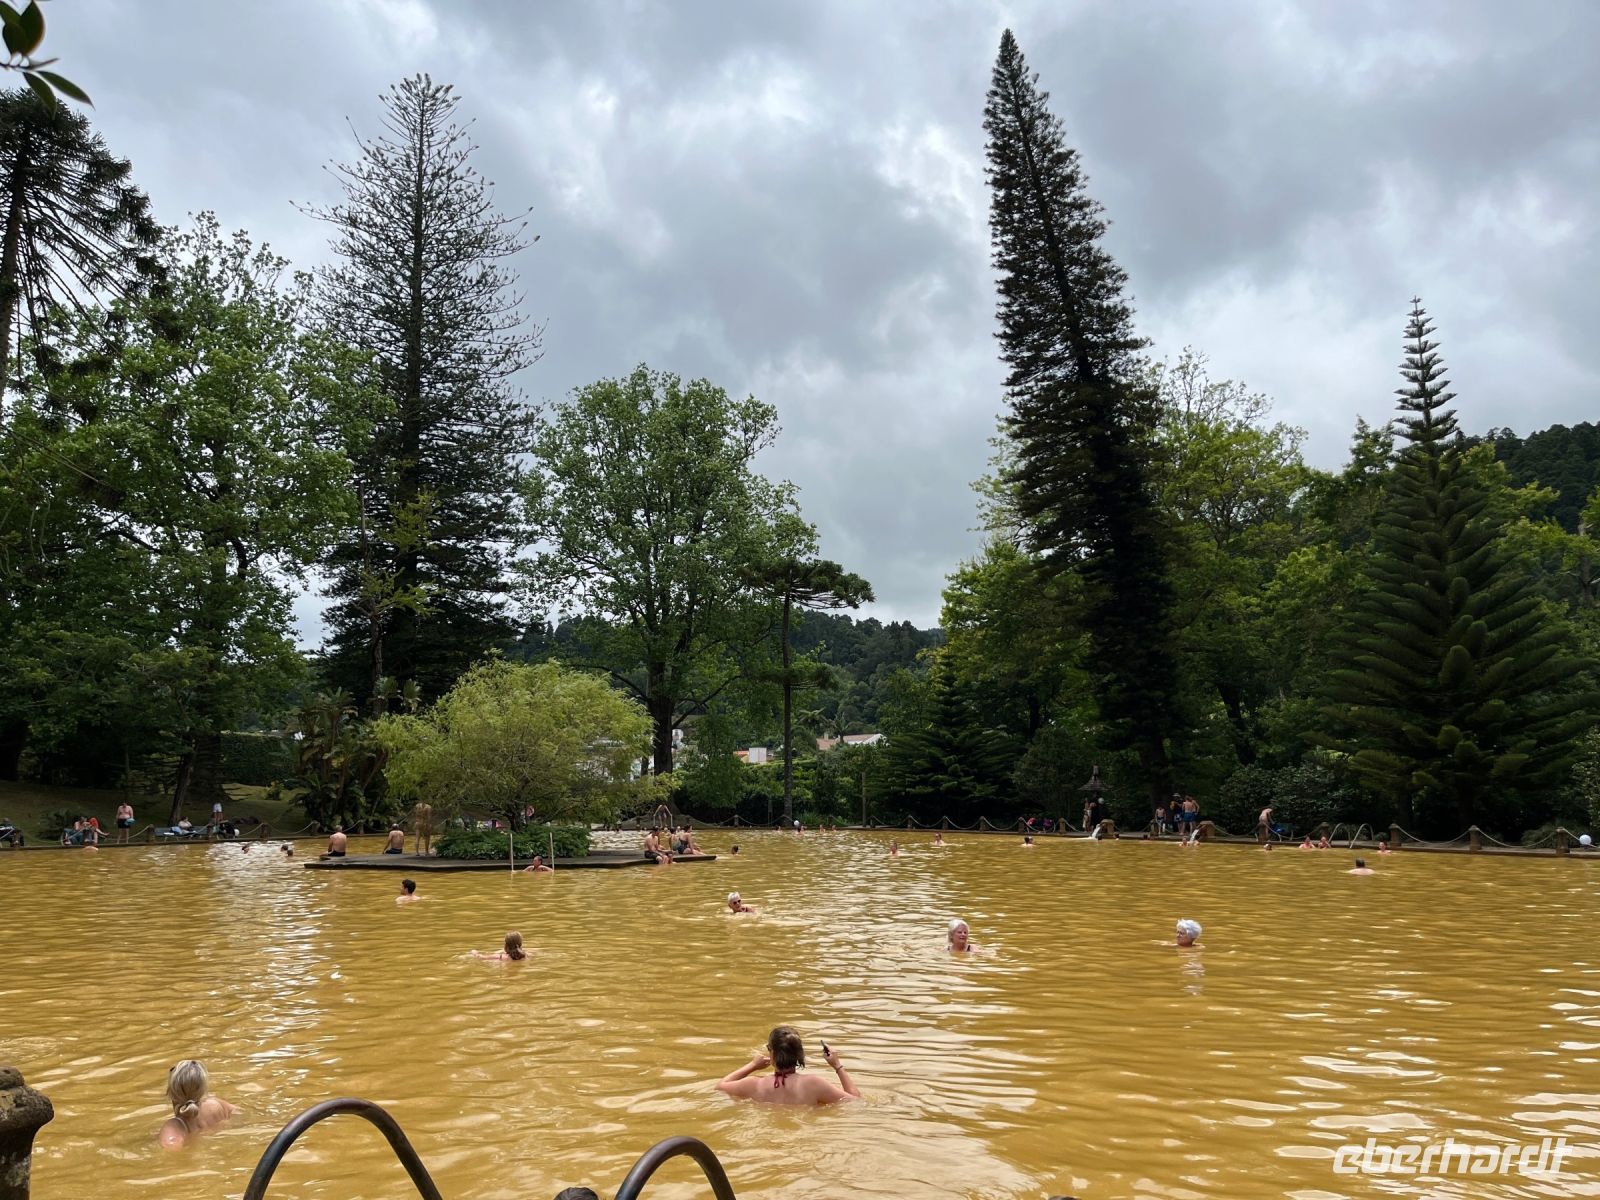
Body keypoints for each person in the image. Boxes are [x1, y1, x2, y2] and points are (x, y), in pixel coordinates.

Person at [716, 1026, 859, 1105]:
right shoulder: (814, 1084)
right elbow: (856, 1102)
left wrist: (752, 1065)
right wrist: (837, 1066)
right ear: (799, 1054)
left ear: (771, 1052)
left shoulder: (754, 1085)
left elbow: (720, 1086)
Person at [158, 1060, 237, 1149]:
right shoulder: (215, 1104)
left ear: (170, 1093)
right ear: (202, 1090)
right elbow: (238, 1112)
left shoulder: (174, 1126)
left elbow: (171, 1150)